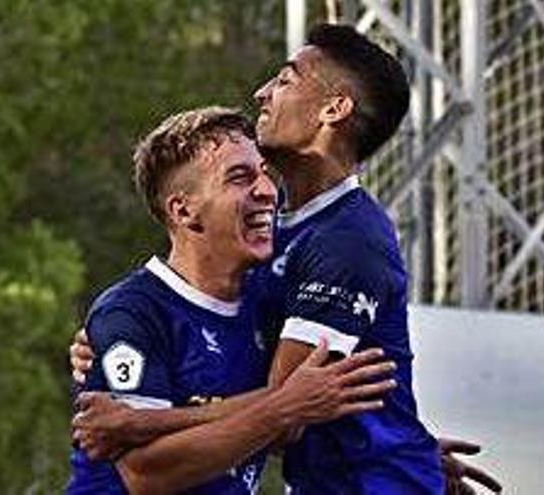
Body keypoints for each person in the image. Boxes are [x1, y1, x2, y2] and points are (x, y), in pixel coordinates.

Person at [72, 23, 502, 494]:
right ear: (182, 209)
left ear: (334, 109)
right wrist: (112, 340)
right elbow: (284, 402)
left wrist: (138, 422)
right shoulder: (275, 244)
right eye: (240, 177)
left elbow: (287, 411)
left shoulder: (348, 240)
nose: (263, 92)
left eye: (285, 79)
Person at [67, 107, 398, 495]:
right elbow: (148, 475)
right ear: (184, 210)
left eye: (264, 173)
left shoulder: (267, 305)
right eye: (240, 178)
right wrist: (284, 406)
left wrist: (407, 453)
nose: (267, 191)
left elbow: (307, 410)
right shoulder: (131, 313)